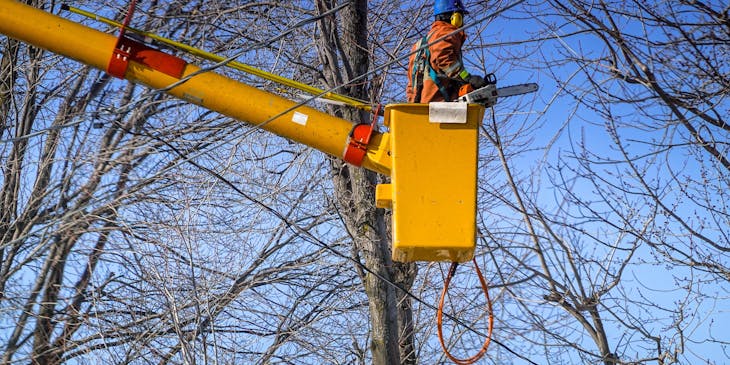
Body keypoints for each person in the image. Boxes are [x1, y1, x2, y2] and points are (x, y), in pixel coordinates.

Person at [406, 0, 487, 103]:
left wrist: (412, 103)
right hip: (441, 103)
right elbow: (445, 61)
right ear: (455, 17)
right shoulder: (446, 32)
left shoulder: (418, 45)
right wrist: (468, 78)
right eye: (461, 17)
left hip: (422, 106)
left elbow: (410, 83)